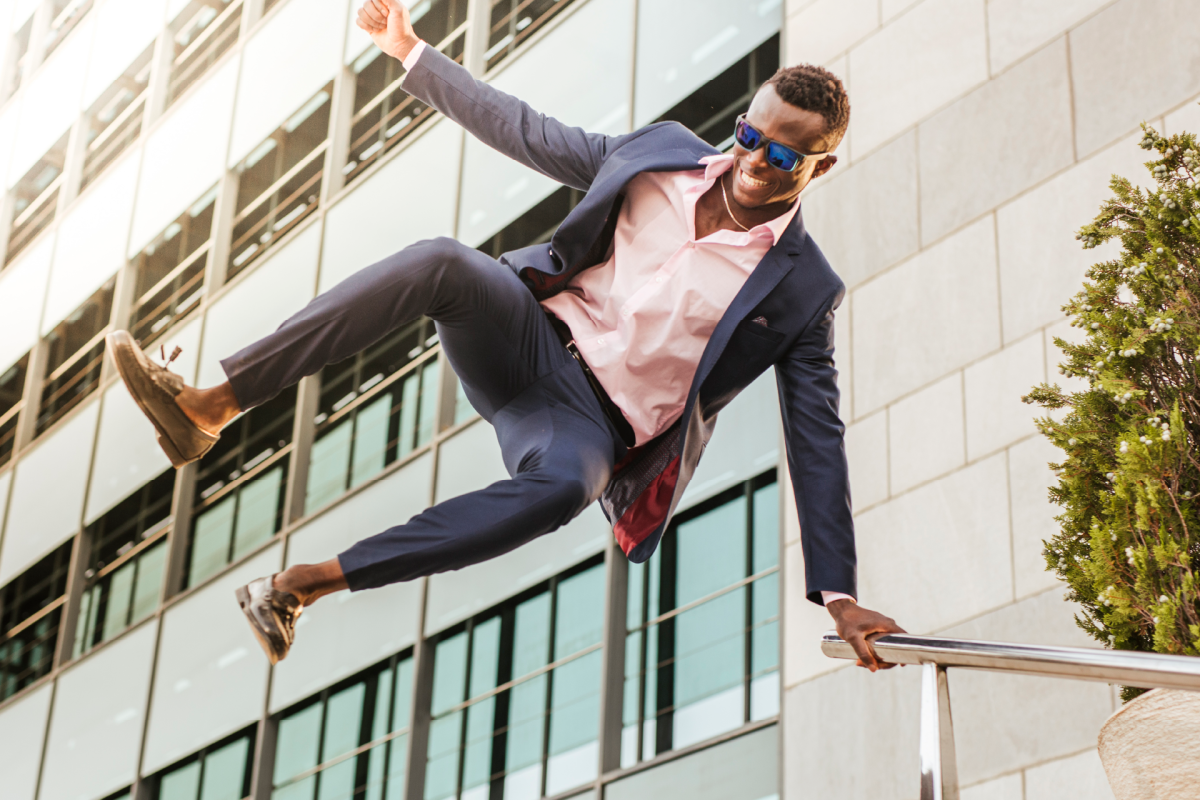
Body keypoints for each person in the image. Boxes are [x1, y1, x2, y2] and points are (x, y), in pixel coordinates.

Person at [107, 0, 905, 674]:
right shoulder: (658, 156)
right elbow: (529, 131)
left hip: (588, 426)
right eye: (748, 136)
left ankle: (304, 585)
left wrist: (838, 595)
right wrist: (411, 52)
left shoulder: (803, 291)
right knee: (444, 262)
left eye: (783, 157)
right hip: (526, 339)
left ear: (820, 167)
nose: (754, 162)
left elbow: (817, 439)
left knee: (565, 488)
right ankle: (209, 406)